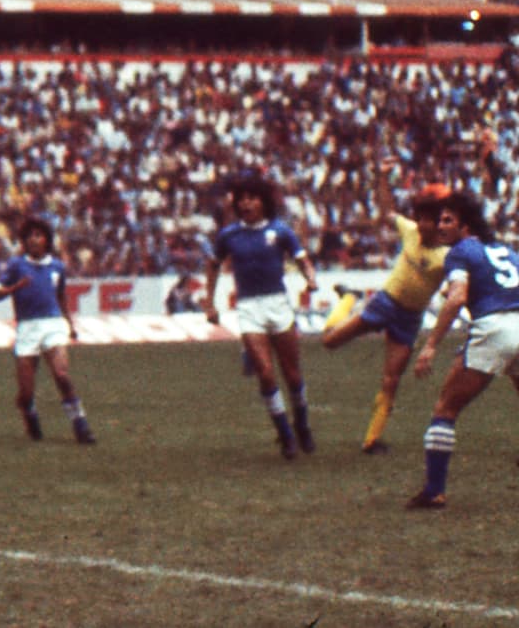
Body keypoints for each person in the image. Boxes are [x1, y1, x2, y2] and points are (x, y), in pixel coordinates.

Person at [321, 162, 451, 454]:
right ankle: (348, 298)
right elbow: (386, 210)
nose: (420, 223)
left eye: (426, 219)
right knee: (329, 341)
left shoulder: (447, 255)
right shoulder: (410, 231)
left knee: (391, 379)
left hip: (409, 318)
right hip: (385, 303)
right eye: (418, 218)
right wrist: (380, 175)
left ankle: (372, 440)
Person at [406, 193, 519, 509]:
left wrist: (430, 345)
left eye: (448, 220)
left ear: (465, 225)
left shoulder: (460, 251)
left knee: (445, 408)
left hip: (495, 328)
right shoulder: (506, 251)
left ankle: (434, 491)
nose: (441, 226)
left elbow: (455, 299)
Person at [203, 172, 319, 460]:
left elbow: (302, 258)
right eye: (241, 200)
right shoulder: (229, 235)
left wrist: (311, 278)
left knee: (292, 375)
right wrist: (210, 302)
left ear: (263, 202)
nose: (246, 204)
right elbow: (213, 265)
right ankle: (285, 434)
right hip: (249, 308)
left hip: (278, 304)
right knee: (266, 374)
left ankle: (301, 424)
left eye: (251, 199)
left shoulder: (280, 231)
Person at [0, 216, 94, 444]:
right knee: (26, 393)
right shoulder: (17, 265)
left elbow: (60, 296)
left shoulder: (57, 266)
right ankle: (30, 415)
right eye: (30, 236)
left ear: (46, 239)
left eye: (39, 235)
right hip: (27, 327)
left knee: (61, 375)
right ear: (24, 241)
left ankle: (81, 424)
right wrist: (15, 287)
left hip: (53, 324)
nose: (35, 240)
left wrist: (70, 324)